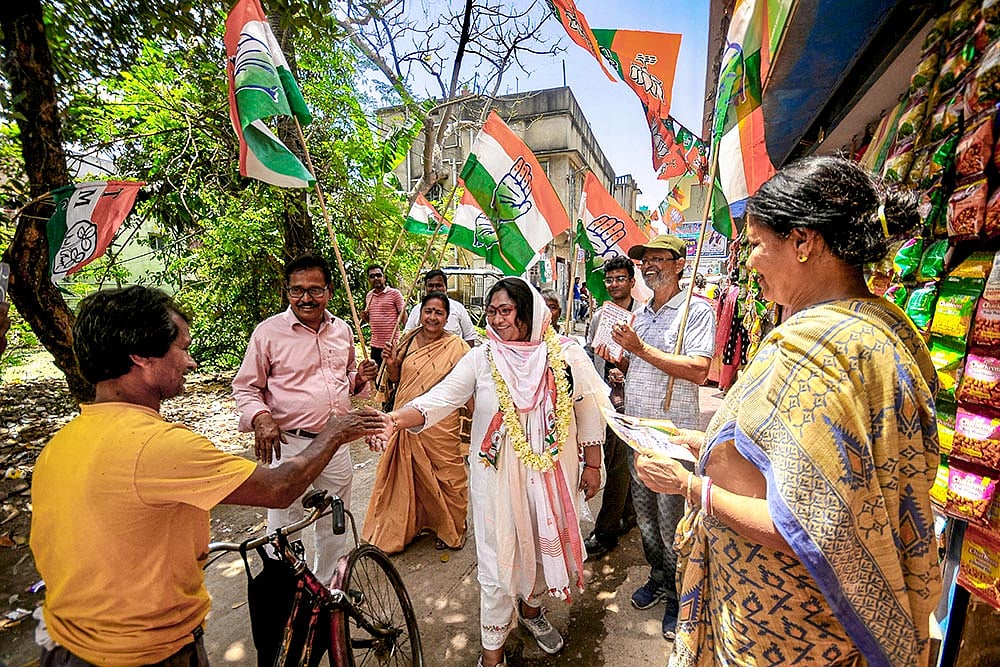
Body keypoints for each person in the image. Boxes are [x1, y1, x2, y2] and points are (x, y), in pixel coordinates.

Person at [636, 156, 941, 665]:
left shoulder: (821, 351)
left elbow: (805, 525)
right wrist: (697, 443)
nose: (749, 262)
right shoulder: (879, 328)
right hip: (803, 621)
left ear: (803, 241)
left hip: (788, 632)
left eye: (757, 244)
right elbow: (806, 463)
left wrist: (690, 486)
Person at [30, 286, 385, 666]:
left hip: (64, 643)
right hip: (144, 654)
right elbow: (280, 487)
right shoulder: (159, 446)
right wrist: (334, 432)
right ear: (141, 356)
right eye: (182, 348)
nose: (191, 362)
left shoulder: (60, 444)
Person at [373, 277, 610, 667]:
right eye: (492, 311)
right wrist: (394, 419)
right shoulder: (482, 357)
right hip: (495, 479)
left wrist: (595, 464)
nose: (496, 320)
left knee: (540, 544)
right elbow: (442, 397)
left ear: (528, 313)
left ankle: (532, 612)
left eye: (506, 311)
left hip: (552, 474)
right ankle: (492, 653)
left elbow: (587, 408)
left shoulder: (565, 355)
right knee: (498, 559)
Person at [233, 254, 378, 586]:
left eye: (314, 290)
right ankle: (286, 589)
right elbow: (245, 387)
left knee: (334, 517)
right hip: (289, 445)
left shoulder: (342, 330)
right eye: (297, 290)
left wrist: (359, 377)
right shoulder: (268, 333)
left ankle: (327, 588)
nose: (305, 298)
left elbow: (344, 380)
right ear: (287, 292)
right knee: (284, 521)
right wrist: (261, 417)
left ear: (329, 291)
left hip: (336, 443)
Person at [597, 234, 715, 640]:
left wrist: (641, 349)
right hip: (638, 433)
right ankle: (659, 577)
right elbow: (640, 363)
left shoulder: (696, 310)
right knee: (646, 518)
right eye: (645, 260)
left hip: (672, 437)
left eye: (658, 259)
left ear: (679, 265)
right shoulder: (642, 314)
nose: (649, 266)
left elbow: (698, 370)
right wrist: (622, 362)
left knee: (671, 523)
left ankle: (679, 594)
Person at [363, 291, 471, 553]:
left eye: (439, 313)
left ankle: (451, 528)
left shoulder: (458, 347)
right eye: (428, 311)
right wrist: (391, 364)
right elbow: (395, 378)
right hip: (405, 419)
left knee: (448, 476)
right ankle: (407, 527)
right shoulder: (407, 340)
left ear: (447, 317)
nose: (433, 317)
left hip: (442, 425)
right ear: (420, 314)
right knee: (404, 477)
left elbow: (469, 386)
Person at [582, 255, 641, 559]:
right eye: (610, 280)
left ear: (632, 281)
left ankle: (605, 532)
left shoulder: (642, 317)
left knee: (618, 465)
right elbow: (590, 355)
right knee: (617, 462)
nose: (615, 284)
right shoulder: (598, 318)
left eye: (620, 279)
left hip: (631, 402)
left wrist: (624, 368)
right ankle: (628, 516)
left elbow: (645, 363)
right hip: (603, 399)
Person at [403, 269, 478, 346]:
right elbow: (407, 336)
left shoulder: (458, 308)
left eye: (438, 285)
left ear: (446, 287)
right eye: (430, 286)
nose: (434, 289)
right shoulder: (417, 310)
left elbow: (469, 337)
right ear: (425, 288)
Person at [361, 263, 404, 366]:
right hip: (375, 345)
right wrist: (365, 317)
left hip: (391, 344)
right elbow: (372, 320)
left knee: (392, 372)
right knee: (377, 373)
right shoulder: (369, 296)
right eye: (372, 276)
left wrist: (407, 336)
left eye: (378, 275)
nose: (376, 278)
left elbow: (403, 315)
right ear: (369, 280)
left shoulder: (394, 294)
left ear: (384, 278)